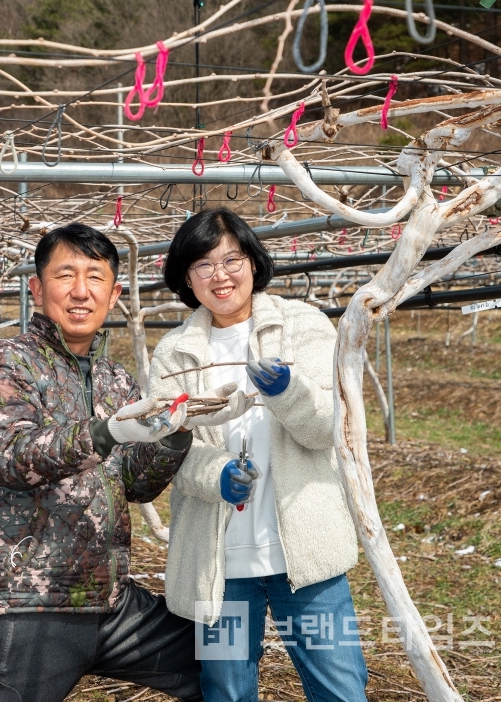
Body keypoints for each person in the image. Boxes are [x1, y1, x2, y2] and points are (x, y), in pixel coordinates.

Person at [0, 223, 204, 702]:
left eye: (96, 277)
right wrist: (104, 433)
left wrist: (178, 433)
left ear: (114, 295)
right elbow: (13, 456)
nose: (81, 291)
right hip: (22, 605)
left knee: (222, 656)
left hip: (110, 602)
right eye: (65, 275)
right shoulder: (4, 363)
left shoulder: (113, 379)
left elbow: (135, 482)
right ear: (36, 288)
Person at [147, 209, 369, 702]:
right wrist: (216, 474)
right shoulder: (174, 352)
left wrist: (288, 390)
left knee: (340, 687)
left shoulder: (302, 325)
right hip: (220, 568)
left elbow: (328, 428)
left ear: (253, 261)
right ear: (186, 276)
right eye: (203, 265)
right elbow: (170, 449)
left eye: (232, 259)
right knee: (227, 691)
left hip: (306, 558)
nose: (219, 275)